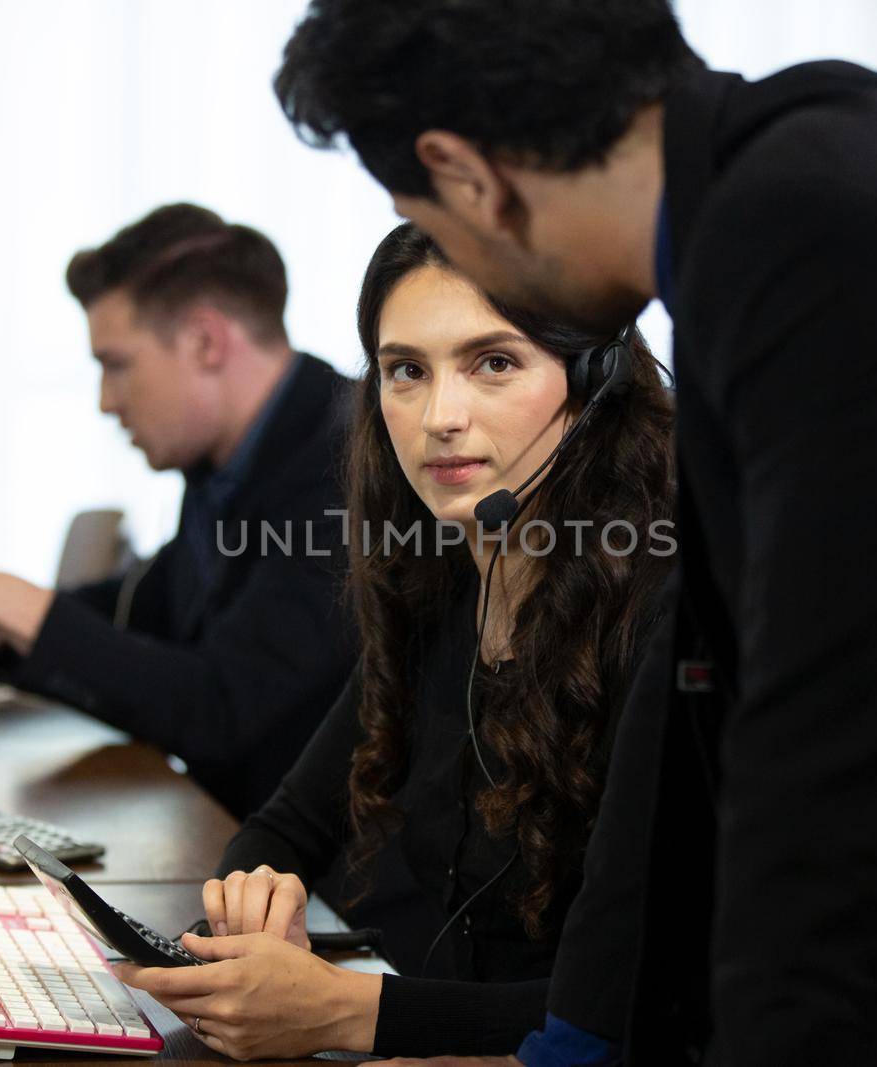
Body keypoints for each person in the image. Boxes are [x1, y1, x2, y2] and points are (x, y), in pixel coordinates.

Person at [270, 3, 877, 1066]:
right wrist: (579, 1037)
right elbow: (696, 698)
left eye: (437, 225)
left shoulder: (811, 242)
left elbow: (828, 763)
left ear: (467, 175)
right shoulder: (804, 157)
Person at [112, 222, 676, 1062]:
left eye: (494, 362)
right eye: (406, 370)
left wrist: (355, 1012)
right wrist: (255, 896)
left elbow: (638, 1002)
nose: (440, 417)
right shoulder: (441, 584)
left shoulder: (666, 615)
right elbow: (288, 823)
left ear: (592, 380)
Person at [0, 203, 358, 818]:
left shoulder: (346, 468)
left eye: (116, 365)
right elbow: (141, 613)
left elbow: (223, 710)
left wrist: (8, 602)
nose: (107, 402)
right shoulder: (234, 460)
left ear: (206, 342)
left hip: (326, 894)